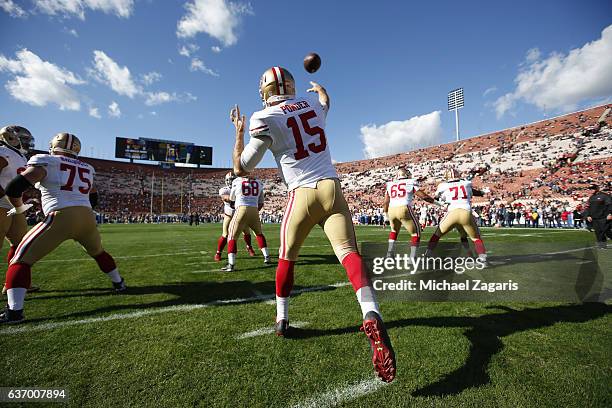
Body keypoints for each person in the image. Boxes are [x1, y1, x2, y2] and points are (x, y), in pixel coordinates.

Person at [229, 66, 396, 383]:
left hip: (302, 193)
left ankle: (282, 318)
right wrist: (320, 89)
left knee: (287, 257)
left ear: (266, 91)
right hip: (333, 188)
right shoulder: (312, 106)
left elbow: (242, 168)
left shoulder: (264, 117)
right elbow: (325, 101)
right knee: (350, 255)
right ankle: (370, 311)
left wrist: (238, 136)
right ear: (291, 87)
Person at [0, 133, 126, 324]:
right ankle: (119, 283)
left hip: (60, 216)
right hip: (86, 217)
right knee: (98, 252)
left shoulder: (48, 161)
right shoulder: (86, 167)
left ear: (53, 145)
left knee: (20, 260)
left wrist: (18, 207)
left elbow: (14, 187)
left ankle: (14, 312)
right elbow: (94, 197)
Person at [0, 126, 39, 295]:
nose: (27, 143)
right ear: (10, 138)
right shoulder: (3, 152)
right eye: (24, 139)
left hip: (14, 206)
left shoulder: (21, 156)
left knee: (21, 246)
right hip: (1, 203)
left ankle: (13, 283)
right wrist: (7, 197)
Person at [425, 168, 488, 263]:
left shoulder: (443, 185)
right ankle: (482, 259)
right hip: (465, 212)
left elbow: (436, 198)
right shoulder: (466, 183)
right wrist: (482, 192)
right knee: (476, 238)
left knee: (436, 235)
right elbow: (474, 192)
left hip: (452, 213)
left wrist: (442, 200)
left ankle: (428, 255)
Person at [383, 167, 437, 259]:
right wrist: (437, 203)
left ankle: (389, 253)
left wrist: (385, 214)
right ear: (406, 175)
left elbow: (386, 202)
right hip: (404, 207)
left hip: (391, 209)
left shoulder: (390, 184)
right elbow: (423, 196)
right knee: (416, 233)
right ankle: (412, 257)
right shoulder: (410, 182)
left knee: (394, 231)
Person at [221, 174, 271, 271]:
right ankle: (267, 256)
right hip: (254, 210)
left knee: (231, 237)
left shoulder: (237, 181)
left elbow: (232, 200)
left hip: (241, 209)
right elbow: (261, 202)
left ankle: (231, 264)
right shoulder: (259, 182)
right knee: (259, 234)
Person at [214, 172, 256, 262]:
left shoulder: (240, 186)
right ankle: (218, 252)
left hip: (239, 214)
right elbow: (226, 198)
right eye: (229, 180)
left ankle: (249, 247)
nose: (230, 181)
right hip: (229, 215)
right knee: (225, 234)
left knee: (246, 232)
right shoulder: (224, 190)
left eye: (232, 179)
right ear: (226, 181)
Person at [583, 185, 612, 249]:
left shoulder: (605, 196)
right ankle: (602, 246)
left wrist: (610, 214)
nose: (591, 190)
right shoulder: (591, 198)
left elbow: (610, 205)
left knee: (606, 232)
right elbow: (587, 207)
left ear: (597, 189)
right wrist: (588, 215)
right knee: (598, 232)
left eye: (593, 189)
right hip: (594, 218)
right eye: (590, 189)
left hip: (604, 217)